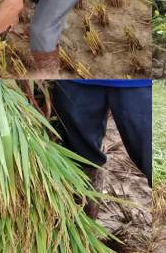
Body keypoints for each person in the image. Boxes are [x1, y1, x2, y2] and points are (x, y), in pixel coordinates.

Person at [51, 79, 152, 218]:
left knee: (153, 160)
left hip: (139, 82)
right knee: (80, 160)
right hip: (76, 79)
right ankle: (84, 228)